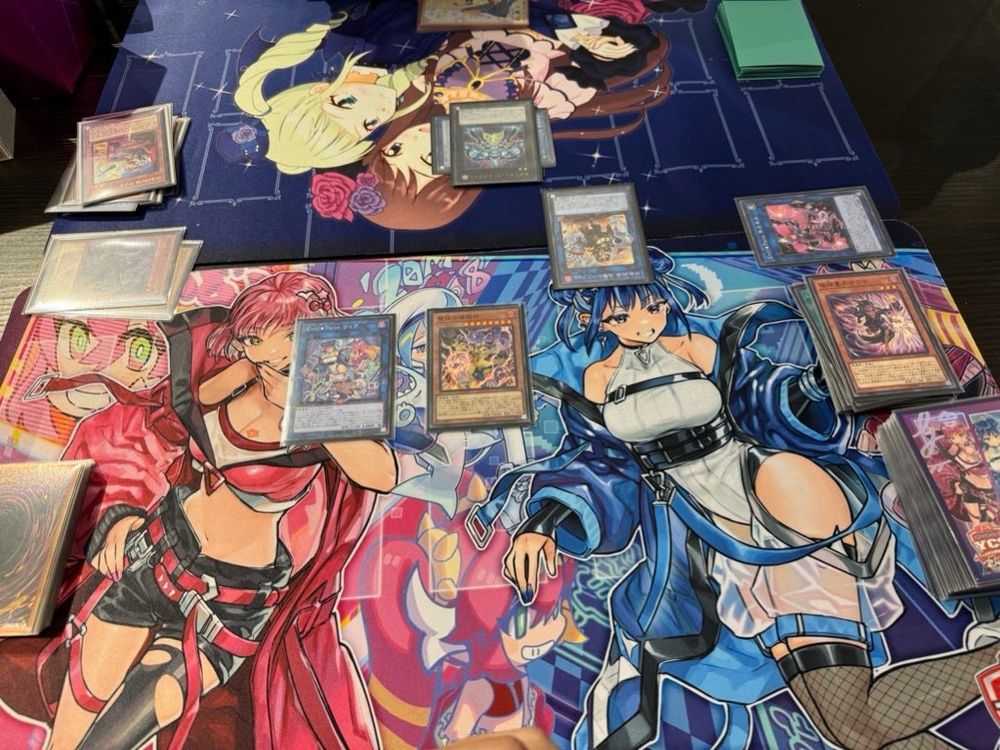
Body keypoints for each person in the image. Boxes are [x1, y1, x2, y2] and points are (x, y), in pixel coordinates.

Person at [471, 252, 1000, 750]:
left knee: (852, 727)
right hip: (707, 540)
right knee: (851, 729)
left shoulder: (702, 347)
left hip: (777, 502)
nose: (643, 325)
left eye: (652, 308)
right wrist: (546, 521)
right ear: (596, 319)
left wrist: (816, 385)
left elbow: (765, 400)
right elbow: (605, 464)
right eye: (621, 317)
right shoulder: (594, 379)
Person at [41, 271, 398, 750]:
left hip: (227, 601)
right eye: (253, 336)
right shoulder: (242, 373)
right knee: (66, 735)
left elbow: (382, 474)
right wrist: (123, 518)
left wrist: (313, 403)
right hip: (157, 553)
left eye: (278, 339)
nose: (262, 350)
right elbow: (186, 407)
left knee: (107, 742)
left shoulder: (324, 411)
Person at [233, 15, 433, 174]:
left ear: (320, 89)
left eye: (347, 103)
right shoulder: (406, 75)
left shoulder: (360, 43)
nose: (377, 109)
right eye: (369, 124)